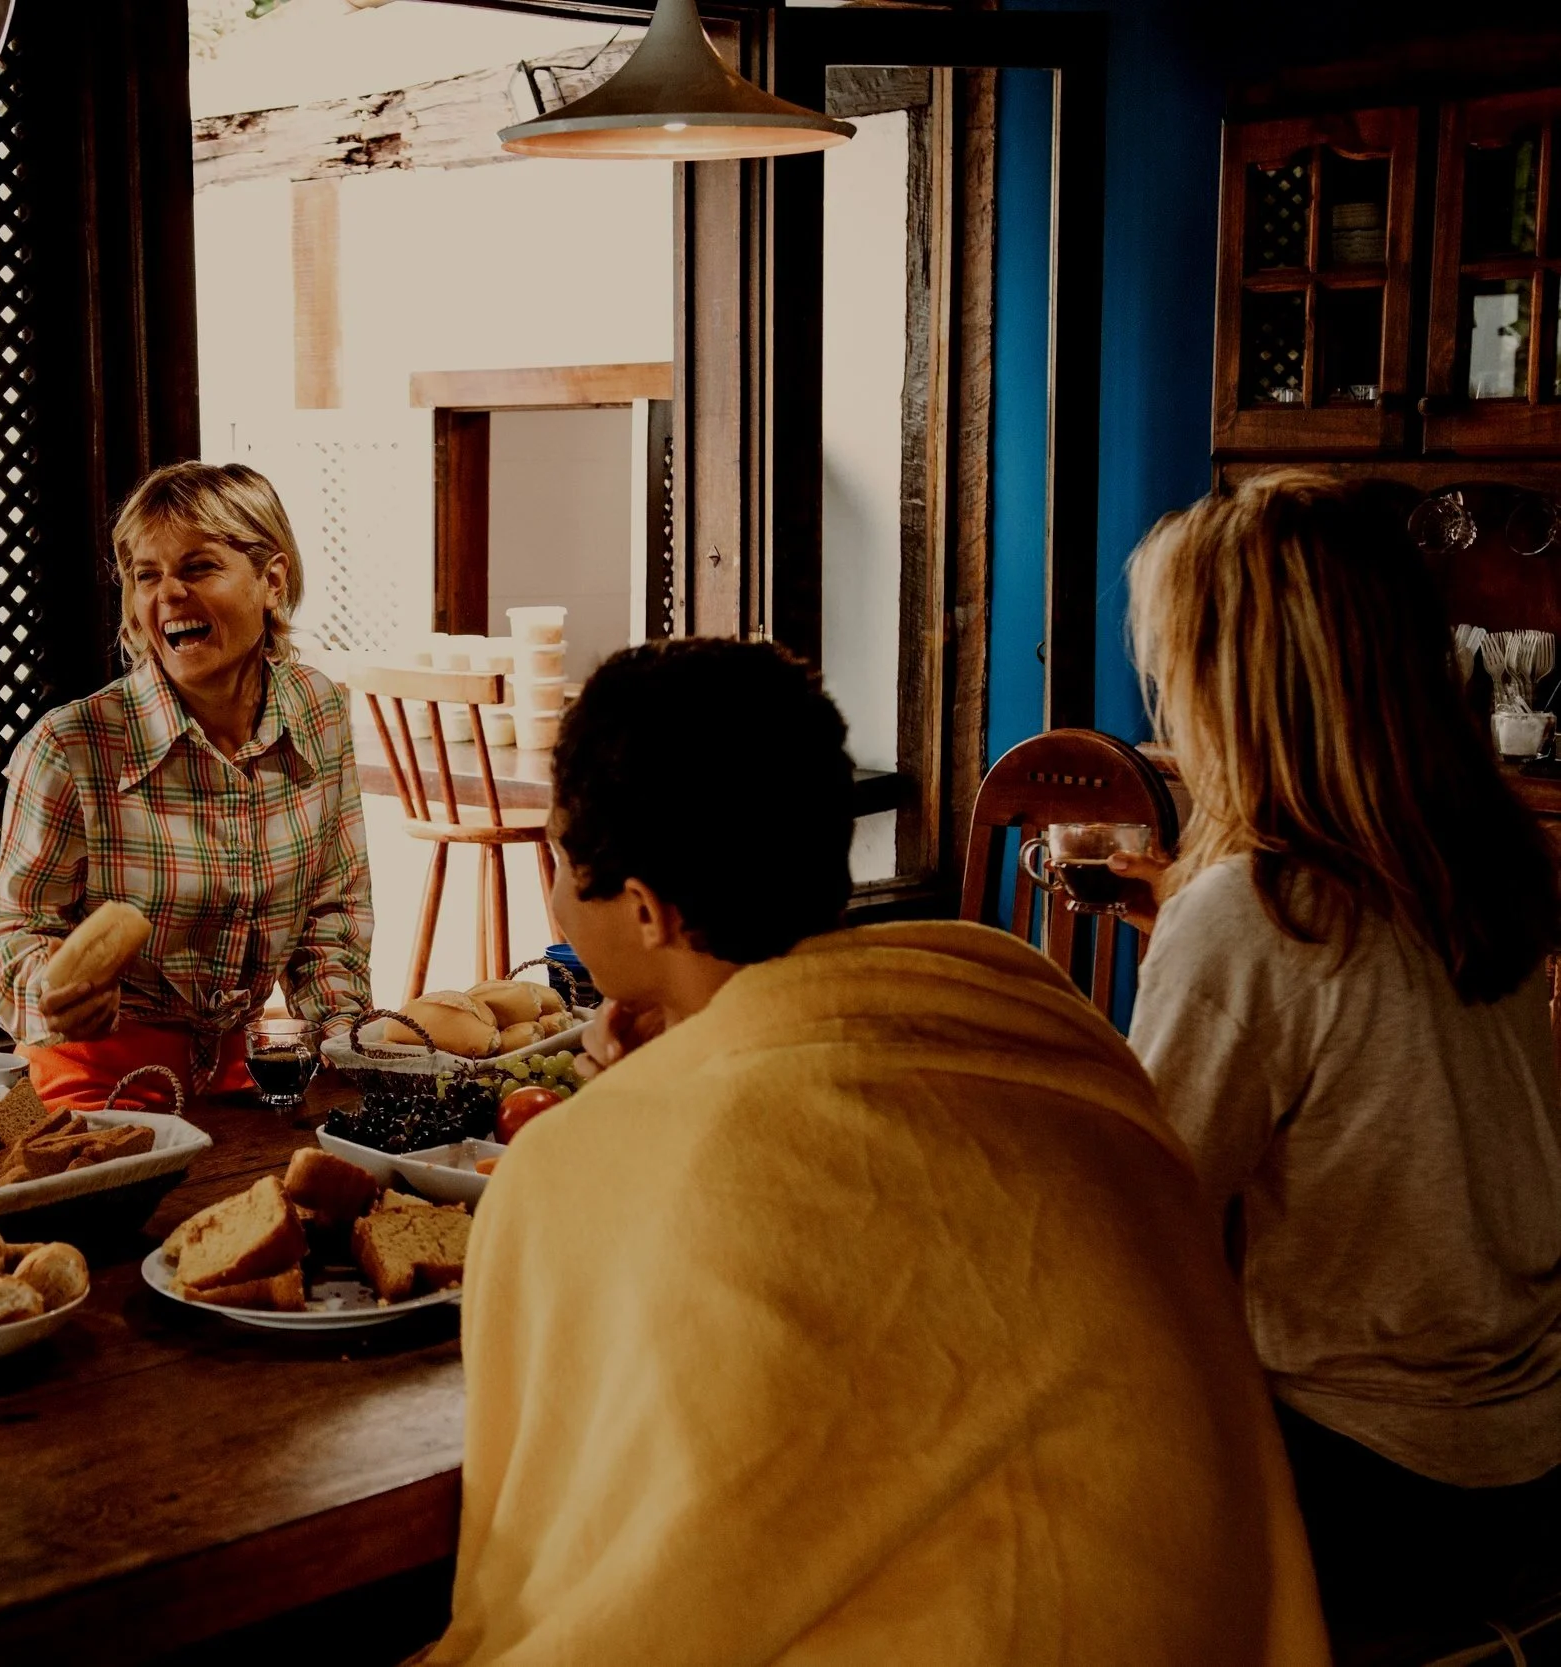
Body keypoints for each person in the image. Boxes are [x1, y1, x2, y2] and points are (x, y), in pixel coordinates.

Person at [421, 639, 1325, 1666]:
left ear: (641, 909)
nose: (553, 894)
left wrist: (643, 1095)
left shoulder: (578, 1167)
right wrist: (689, 1053)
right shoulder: (1050, 1026)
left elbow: (597, 1556)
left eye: (557, 860)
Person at [1115, 473, 1561, 1648]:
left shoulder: (1252, 915)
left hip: (1372, 1472)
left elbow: (1141, 1216)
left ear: (1231, 683)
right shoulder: (1473, 863)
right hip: (1528, 1440)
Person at [0, 462, 372, 1108]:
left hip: (248, 1072)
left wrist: (347, 1049)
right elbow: (13, 934)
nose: (169, 595)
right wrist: (57, 994)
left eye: (197, 568)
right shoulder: (70, 748)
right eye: (147, 575)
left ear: (272, 581)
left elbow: (332, 924)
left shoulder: (321, 713)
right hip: (92, 1082)